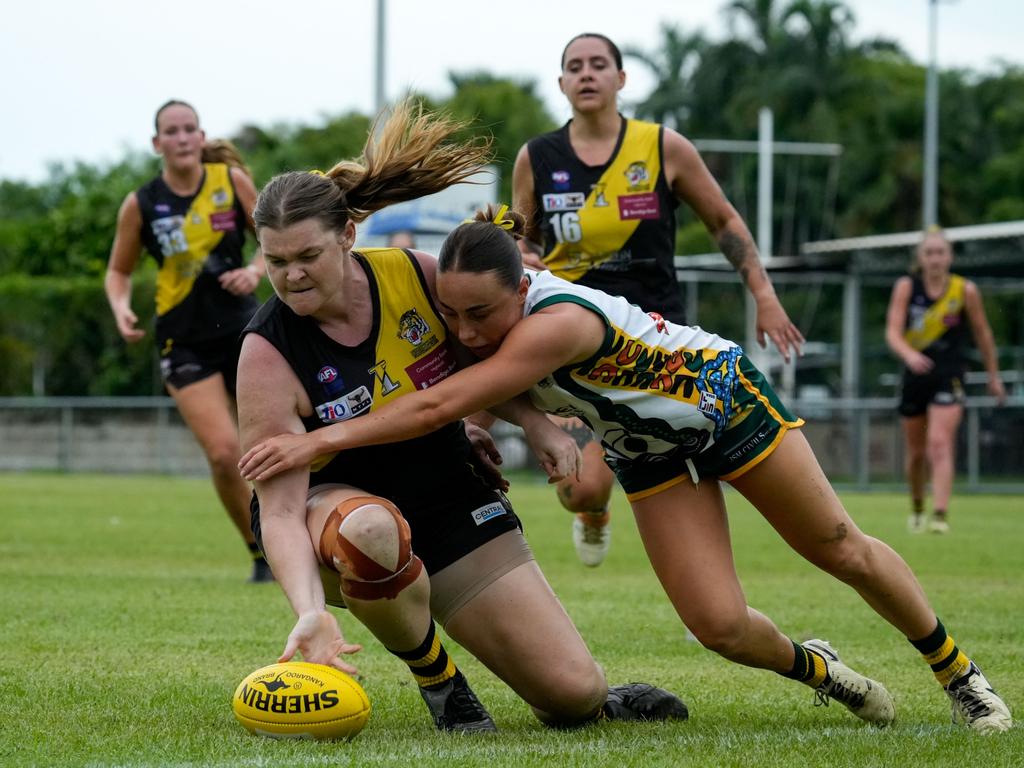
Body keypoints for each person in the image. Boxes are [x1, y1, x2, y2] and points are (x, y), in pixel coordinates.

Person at [241, 206, 1014, 734]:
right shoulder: (474, 315)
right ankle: (824, 672)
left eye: (482, 315)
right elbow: (460, 387)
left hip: (720, 403)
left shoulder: (558, 324)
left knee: (836, 544)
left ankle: (959, 676)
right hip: (647, 451)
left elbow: (436, 403)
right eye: (453, 314)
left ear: (523, 286)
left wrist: (311, 445)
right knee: (717, 627)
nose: (465, 331)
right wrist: (533, 428)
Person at [235, 100, 687, 733]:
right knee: (372, 530)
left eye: (306, 255)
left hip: (442, 488)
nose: (291, 275)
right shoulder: (266, 352)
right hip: (331, 514)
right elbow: (278, 509)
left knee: (573, 697)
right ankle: (439, 682)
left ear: (346, 236)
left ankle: (597, 694)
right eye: (276, 261)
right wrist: (309, 609)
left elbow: (474, 368)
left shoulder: (416, 278)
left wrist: (533, 423)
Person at [511, 32, 804, 566]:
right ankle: (594, 512)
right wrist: (522, 255)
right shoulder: (536, 158)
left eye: (599, 64)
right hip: (574, 343)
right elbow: (521, 241)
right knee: (583, 490)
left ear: (621, 79)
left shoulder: (662, 147)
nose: (586, 74)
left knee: (697, 457)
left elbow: (723, 221)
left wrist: (764, 295)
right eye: (574, 66)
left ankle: (716, 600)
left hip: (651, 341)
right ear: (561, 83)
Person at [104, 100, 270, 582]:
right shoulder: (141, 203)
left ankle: (298, 538)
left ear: (201, 138)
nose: (181, 138)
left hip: (245, 332)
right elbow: (118, 270)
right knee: (223, 453)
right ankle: (260, 554)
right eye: (171, 131)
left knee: (271, 445)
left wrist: (253, 270)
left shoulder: (230, 183)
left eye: (189, 129)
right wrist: (120, 307)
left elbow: (270, 240)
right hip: (183, 340)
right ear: (157, 144)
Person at [885, 228, 1006, 534]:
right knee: (916, 454)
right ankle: (916, 506)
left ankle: (940, 515)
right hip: (915, 376)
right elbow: (892, 333)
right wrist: (909, 355)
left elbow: (983, 334)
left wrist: (994, 376)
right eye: (930, 253)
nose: (936, 259)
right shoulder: (906, 287)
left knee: (939, 442)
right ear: (921, 258)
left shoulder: (964, 291)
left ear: (950, 257)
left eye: (941, 253)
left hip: (949, 376)